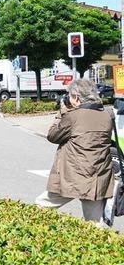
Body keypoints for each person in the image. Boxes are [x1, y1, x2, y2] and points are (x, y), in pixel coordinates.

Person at [35, 79, 114, 225]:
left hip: (73, 178)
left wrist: (62, 113)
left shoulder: (73, 117)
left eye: (70, 96)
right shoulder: (107, 115)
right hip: (98, 178)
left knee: (40, 206)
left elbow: (53, 136)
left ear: (77, 98)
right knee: (94, 224)